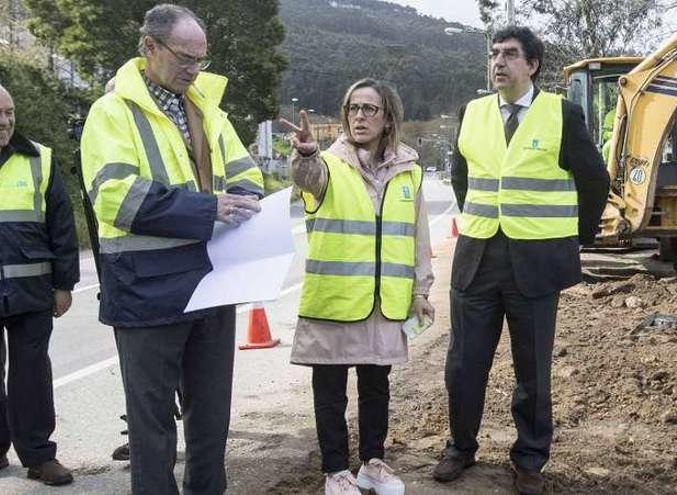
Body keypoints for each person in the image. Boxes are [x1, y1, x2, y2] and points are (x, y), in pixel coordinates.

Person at [79, 4, 263, 494]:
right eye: (185, 57)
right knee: (152, 431)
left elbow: (246, 174)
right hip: (146, 291)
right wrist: (208, 209)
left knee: (210, 423)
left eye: (201, 59)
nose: (194, 68)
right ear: (149, 47)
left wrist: (247, 200)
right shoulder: (111, 113)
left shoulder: (209, 110)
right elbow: (116, 196)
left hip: (211, 283)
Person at [432, 26, 610, 494]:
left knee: (532, 369)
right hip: (477, 257)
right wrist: (482, 219)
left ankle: (530, 459)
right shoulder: (471, 113)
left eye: (510, 54)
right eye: (494, 54)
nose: (498, 62)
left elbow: (595, 181)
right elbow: (462, 178)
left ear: (532, 65)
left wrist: (574, 239)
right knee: (464, 363)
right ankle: (460, 447)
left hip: (535, 262)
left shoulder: (562, 114)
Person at [287, 78, 435, 495]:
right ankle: (335, 471)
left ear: (388, 118)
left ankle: (372, 462)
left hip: (384, 303)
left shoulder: (410, 170)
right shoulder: (328, 163)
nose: (359, 116)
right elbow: (306, 178)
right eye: (353, 108)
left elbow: (417, 236)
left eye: (369, 109)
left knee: (376, 387)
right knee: (330, 391)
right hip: (334, 302)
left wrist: (420, 290)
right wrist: (303, 155)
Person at [0, 84, 79, 486]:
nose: (5, 121)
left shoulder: (39, 160)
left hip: (32, 291)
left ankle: (39, 457)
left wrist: (64, 283)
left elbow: (62, 227)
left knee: (31, 374)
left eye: (9, 112)